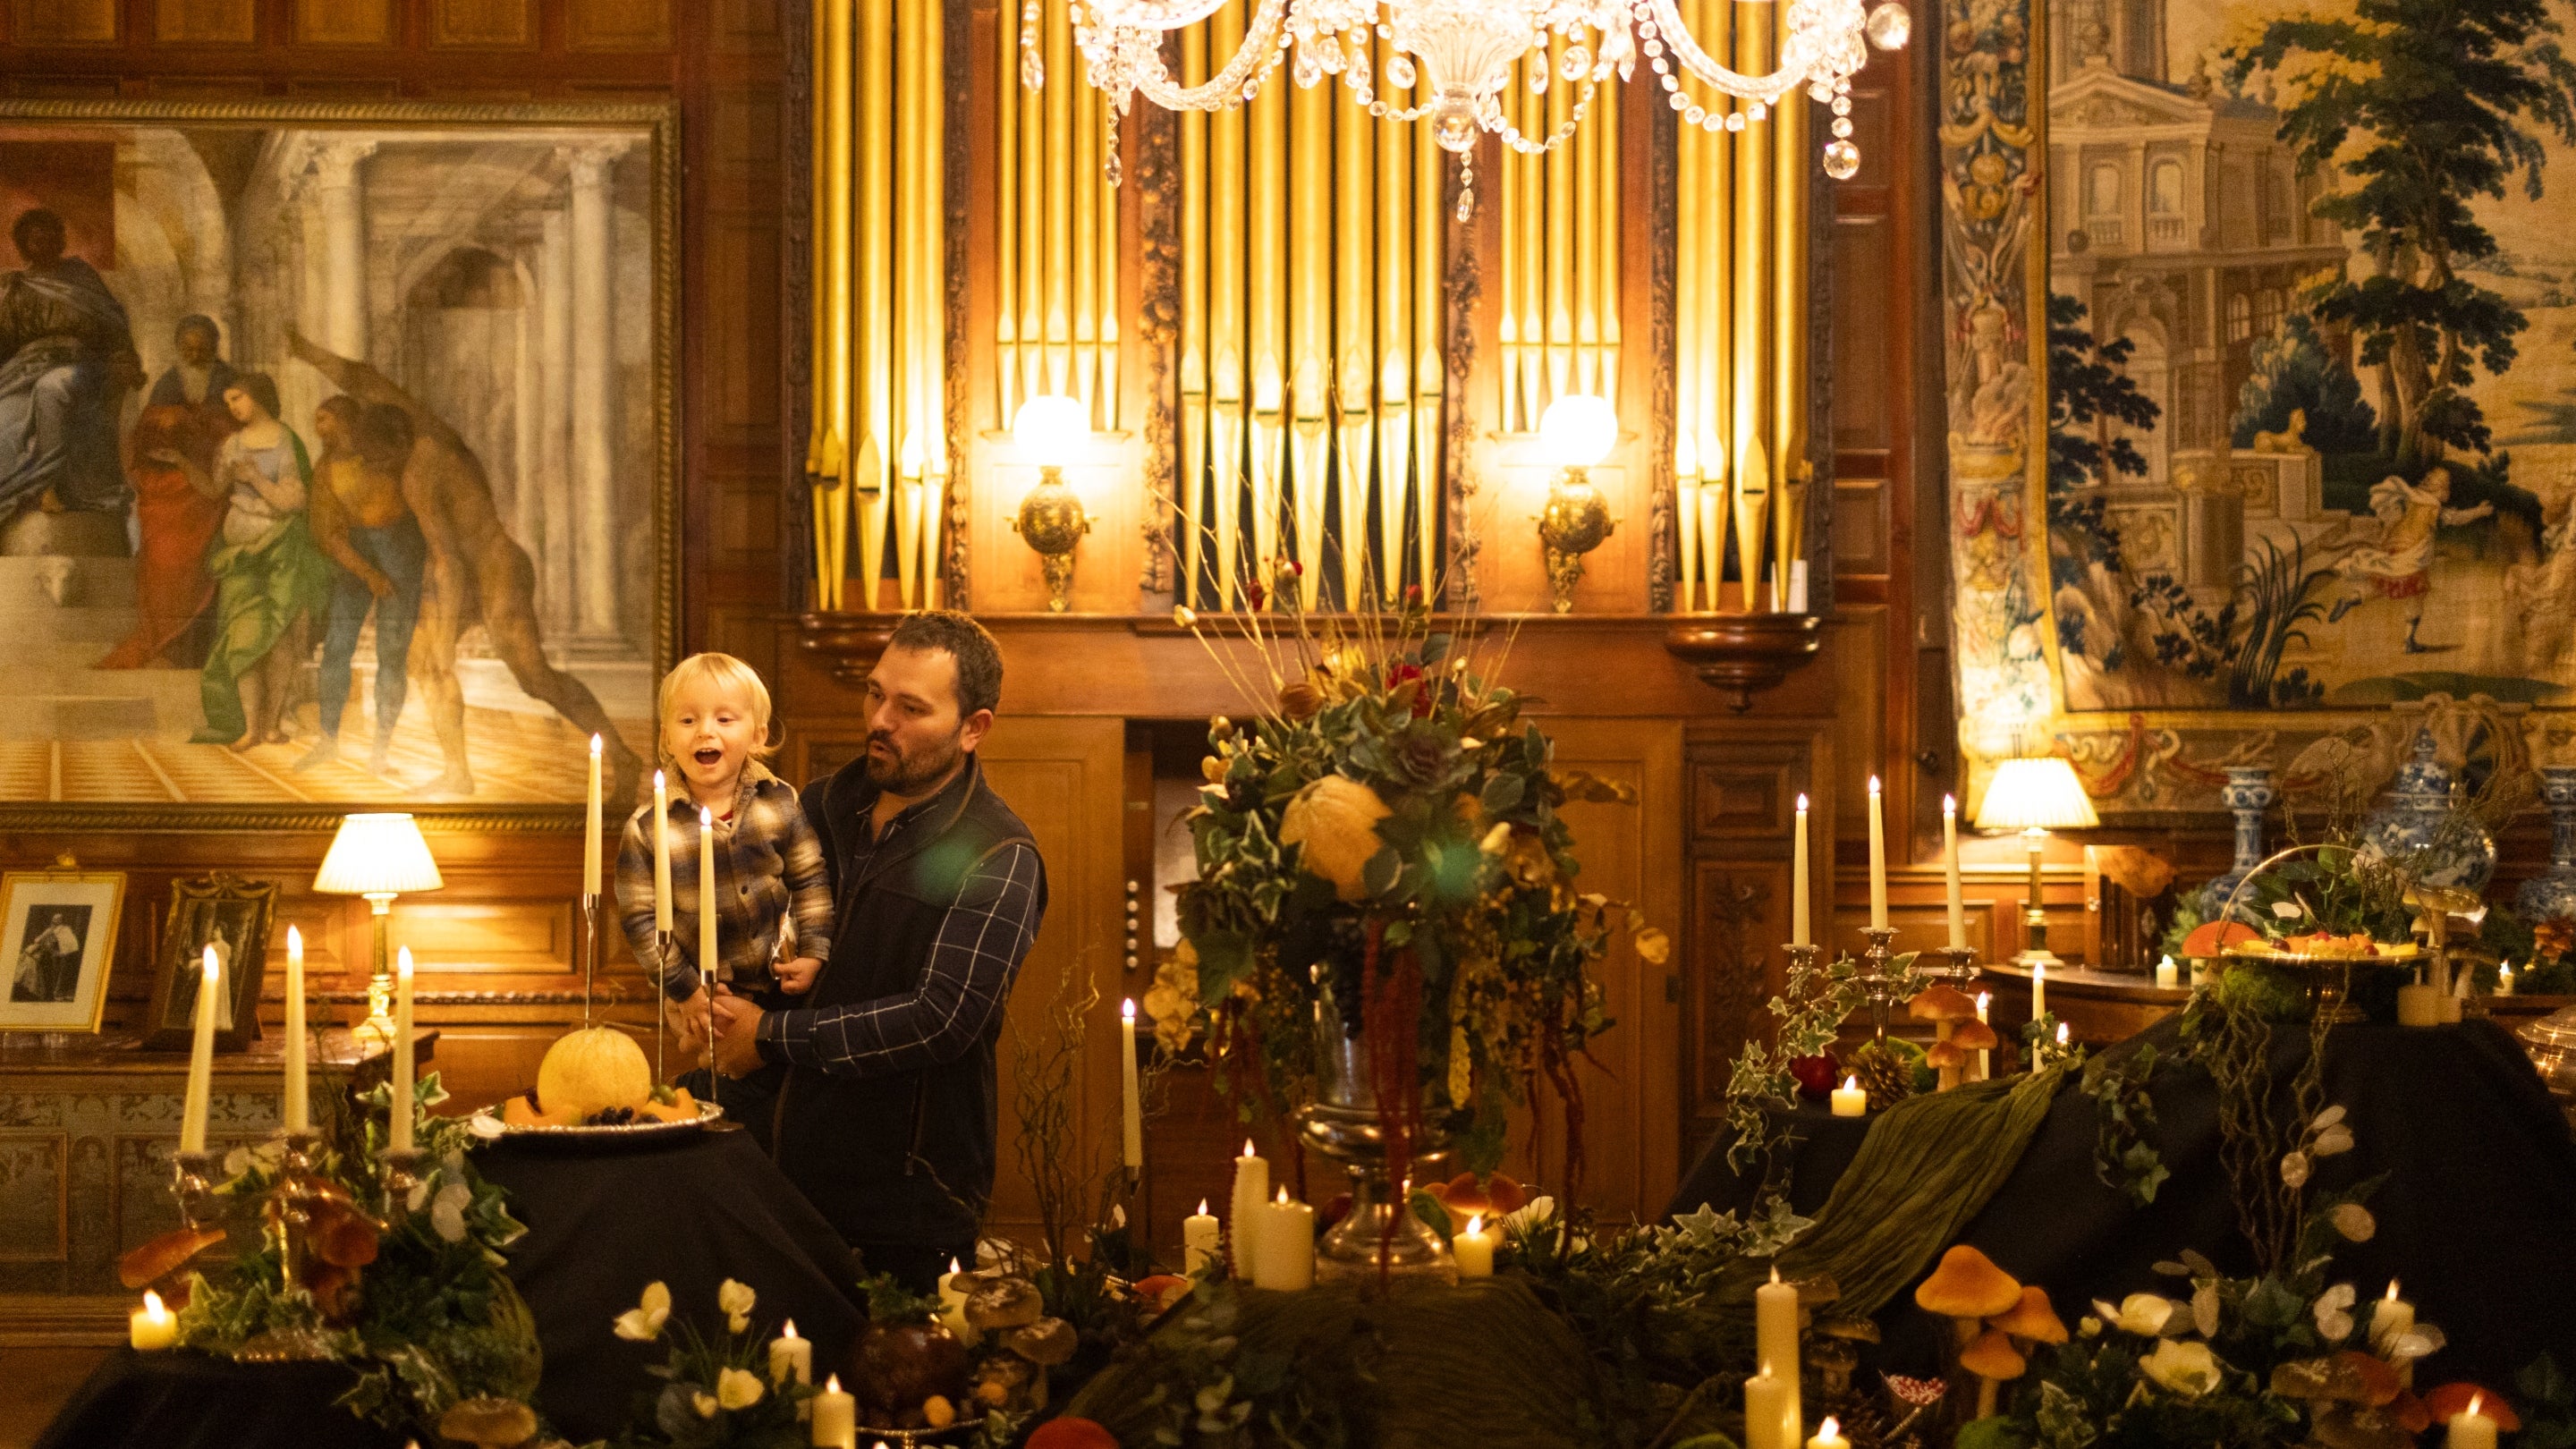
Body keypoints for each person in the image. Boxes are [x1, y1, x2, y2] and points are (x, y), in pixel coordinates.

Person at [710, 611, 1047, 1293]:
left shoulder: (1000, 853)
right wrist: (716, 994)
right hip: (774, 1176)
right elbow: (764, 949)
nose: (881, 720)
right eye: (874, 694)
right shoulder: (818, 808)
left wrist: (769, 1036)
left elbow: (940, 1019)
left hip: (905, 1205)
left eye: (911, 708)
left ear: (974, 727)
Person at [284, 327, 645, 802]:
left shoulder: (419, 472)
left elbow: (448, 561)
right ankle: (457, 772)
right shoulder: (425, 432)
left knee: (533, 678)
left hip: (495, 570)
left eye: (379, 461)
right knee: (425, 665)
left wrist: (445, 640)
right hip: (465, 573)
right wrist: (309, 352)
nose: (379, 470)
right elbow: (366, 381)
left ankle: (622, 755)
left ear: (390, 448)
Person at [614, 653, 833, 1148]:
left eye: (724, 719)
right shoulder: (649, 828)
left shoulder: (781, 802)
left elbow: (810, 878)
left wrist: (814, 951)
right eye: (688, 720)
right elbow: (641, 920)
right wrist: (686, 989)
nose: (705, 732)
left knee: (782, 1102)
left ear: (757, 734)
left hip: (781, 986)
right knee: (724, 1097)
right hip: (704, 994)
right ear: (667, 737)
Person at [183, 371, 331, 748]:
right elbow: (215, 489)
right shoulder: (231, 444)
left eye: (238, 398)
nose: (232, 407)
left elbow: (293, 502)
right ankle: (250, 726)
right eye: (228, 401)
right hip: (240, 555)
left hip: (282, 551)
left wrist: (255, 478)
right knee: (243, 637)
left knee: (280, 637)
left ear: (258, 396)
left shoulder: (287, 442)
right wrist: (183, 464)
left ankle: (272, 723)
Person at [299, 398, 427, 773]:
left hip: (401, 547)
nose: (318, 428)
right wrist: (367, 572)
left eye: (324, 419)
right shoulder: (325, 470)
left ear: (345, 420)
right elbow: (328, 534)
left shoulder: (387, 455)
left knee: (393, 654)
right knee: (337, 648)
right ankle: (328, 741)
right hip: (353, 552)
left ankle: (380, 752)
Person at [0, 208, 136, 522]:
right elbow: (5, 341)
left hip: (83, 367)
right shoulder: (16, 287)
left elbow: (114, 322)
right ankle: (18, 492)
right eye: (35, 239)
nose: (43, 244)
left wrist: (123, 358)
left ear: (59, 240)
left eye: (49, 237)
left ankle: (45, 484)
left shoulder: (81, 276)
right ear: (24, 244)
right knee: (4, 414)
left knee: (52, 388)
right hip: (25, 369)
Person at [2327, 466, 2496, 653]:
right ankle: (2409, 642)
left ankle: (2350, 600)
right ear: (2438, 488)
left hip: (2396, 547)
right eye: (2446, 488)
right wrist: (2480, 512)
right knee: (2416, 594)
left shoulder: (2414, 496)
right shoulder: (2433, 506)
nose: (2448, 493)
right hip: (2412, 556)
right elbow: (2455, 518)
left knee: (2382, 585)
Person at [144, 314, 236, 417]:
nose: (195, 356)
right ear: (179, 348)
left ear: (213, 348)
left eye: (202, 349)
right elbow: (150, 420)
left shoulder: (230, 379)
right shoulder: (166, 383)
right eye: (188, 349)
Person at [13, 911, 80, 1003]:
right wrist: (46, 944)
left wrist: (56, 951)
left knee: (53, 972)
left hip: (49, 956)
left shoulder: (63, 931)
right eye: (54, 921)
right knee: (30, 970)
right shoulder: (52, 931)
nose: (54, 924)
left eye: (56, 922)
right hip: (39, 954)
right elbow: (38, 941)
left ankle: (54, 994)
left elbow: (66, 946)